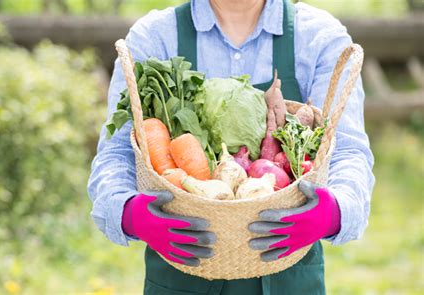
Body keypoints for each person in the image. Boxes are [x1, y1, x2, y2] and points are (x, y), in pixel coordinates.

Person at [87, 0, 375, 294]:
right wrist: (128, 213)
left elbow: (347, 150)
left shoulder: (318, 37)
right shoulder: (155, 36)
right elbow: (117, 152)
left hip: (291, 277)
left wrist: (335, 213)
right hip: (181, 276)